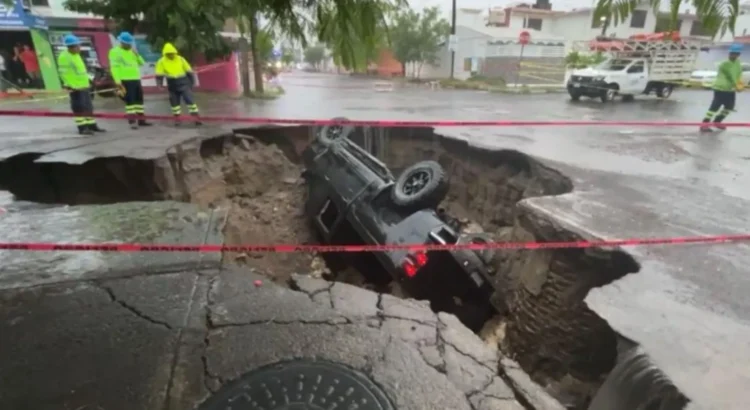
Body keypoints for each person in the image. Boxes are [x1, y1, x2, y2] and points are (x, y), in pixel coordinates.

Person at [57, 34, 106, 135]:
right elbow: (63, 73)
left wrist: (90, 80)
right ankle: (82, 128)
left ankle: (92, 125)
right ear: (71, 47)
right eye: (78, 46)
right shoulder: (64, 57)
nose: (80, 48)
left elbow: (82, 71)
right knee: (79, 107)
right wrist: (69, 85)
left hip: (84, 85)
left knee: (88, 106)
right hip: (75, 87)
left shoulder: (76, 55)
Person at [109, 31, 152, 129]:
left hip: (135, 78)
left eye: (130, 43)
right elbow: (114, 67)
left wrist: (137, 55)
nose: (129, 45)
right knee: (130, 101)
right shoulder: (115, 52)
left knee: (139, 100)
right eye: (127, 43)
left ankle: (141, 120)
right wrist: (117, 81)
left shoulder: (132, 51)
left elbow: (141, 63)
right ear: (122, 42)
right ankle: (132, 121)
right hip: (125, 79)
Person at [154, 42, 201, 126]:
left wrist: (192, 83)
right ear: (165, 54)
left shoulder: (181, 59)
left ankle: (196, 118)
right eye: (169, 54)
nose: (171, 55)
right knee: (174, 104)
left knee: (190, 101)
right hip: (172, 85)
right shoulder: (161, 62)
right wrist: (159, 85)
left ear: (174, 52)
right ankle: (177, 119)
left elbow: (189, 72)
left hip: (184, 83)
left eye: (172, 53)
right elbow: (159, 75)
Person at [700, 43, 744, 132]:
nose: (733, 55)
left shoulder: (738, 62)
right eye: (731, 53)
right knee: (715, 106)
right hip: (721, 88)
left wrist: (740, 84)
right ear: (729, 53)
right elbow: (730, 76)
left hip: (730, 89)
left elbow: (738, 74)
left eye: (735, 53)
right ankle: (704, 124)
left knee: (729, 107)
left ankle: (717, 121)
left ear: (739, 54)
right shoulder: (725, 63)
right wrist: (737, 86)